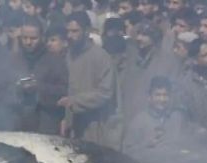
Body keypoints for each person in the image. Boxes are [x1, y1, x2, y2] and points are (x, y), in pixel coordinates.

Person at [59, 12, 117, 147]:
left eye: (75, 31)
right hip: (73, 123)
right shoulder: (69, 55)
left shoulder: (101, 57)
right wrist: (66, 119)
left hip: (95, 124)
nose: (69, 36)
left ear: (86, 31)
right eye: (68, 31)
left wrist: (76, 101)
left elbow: (105, 93)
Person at [14, 20, 69, 134]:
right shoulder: (14, 59)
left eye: (33, 38)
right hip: (19, 120)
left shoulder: (54, 60)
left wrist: (38, 87)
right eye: (25, 38)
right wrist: (17, 87)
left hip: (46, 121)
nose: (28, 42)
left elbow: (64, 90)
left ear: (42, 38)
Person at [124, 76, 183, 153]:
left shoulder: (176, 117)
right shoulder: (139, 121)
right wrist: (147, 144)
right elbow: (127, 152)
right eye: (158, 95)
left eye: (165, 95)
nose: (162, 99)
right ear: (149, 97)